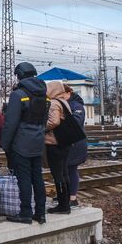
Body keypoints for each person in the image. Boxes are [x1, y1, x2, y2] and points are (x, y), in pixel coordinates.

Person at [0, 62, 50, 225]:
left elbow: (11, 122)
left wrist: (5, 143)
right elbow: (44, 120)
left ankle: (25, 212)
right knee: (38, 178)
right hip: (38, 141)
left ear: (20, 75)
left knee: (24, 179)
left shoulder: (18, 94)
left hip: (22, 142)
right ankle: (40, 213)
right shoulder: (44, 95)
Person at [45, 81, 73, 214]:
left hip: (54, 142)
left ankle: (63, 205)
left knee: (58, 174)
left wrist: (42, 127)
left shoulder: (54, 103)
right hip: (65, 142)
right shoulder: (64, 102)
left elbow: (54, 121)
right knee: (64, 173)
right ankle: (66, 203)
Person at [64, 85, 87, 207]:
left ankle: (72, 197)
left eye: (62, 94)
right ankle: (66, 194)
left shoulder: (76, 106)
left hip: (76, 143)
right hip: (70, 142)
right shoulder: (68, 104)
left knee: (71, 169)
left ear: (68, 93)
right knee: (65, 169)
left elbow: (76, 122)